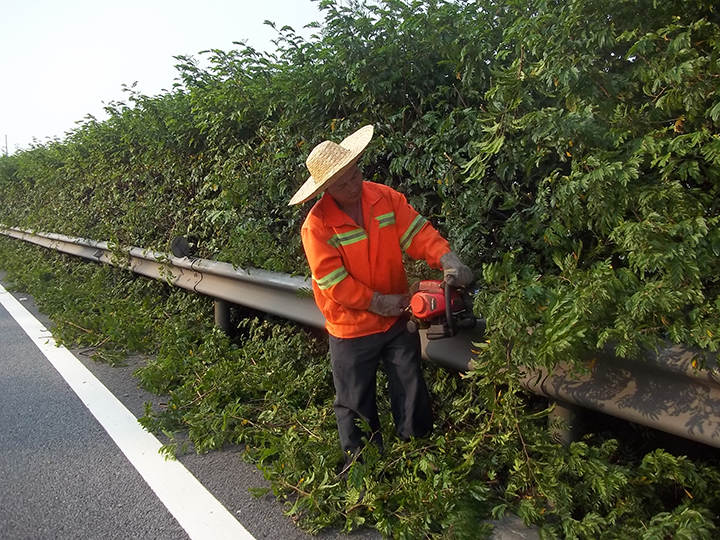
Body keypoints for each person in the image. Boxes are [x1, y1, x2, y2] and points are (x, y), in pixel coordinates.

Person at [289, 124, 473, 466]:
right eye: (341, 183)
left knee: (410, 385)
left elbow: (418, 233)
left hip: (395, 319)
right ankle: (362, 469)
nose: (353, 184)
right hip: (351, 327)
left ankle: (416, 456)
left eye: (354, 173)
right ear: (326, 189)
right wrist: (378, 302)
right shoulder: (317, 227)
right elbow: (334, 283)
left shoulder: (384, 198)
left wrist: (447, 258)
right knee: (355, 401)